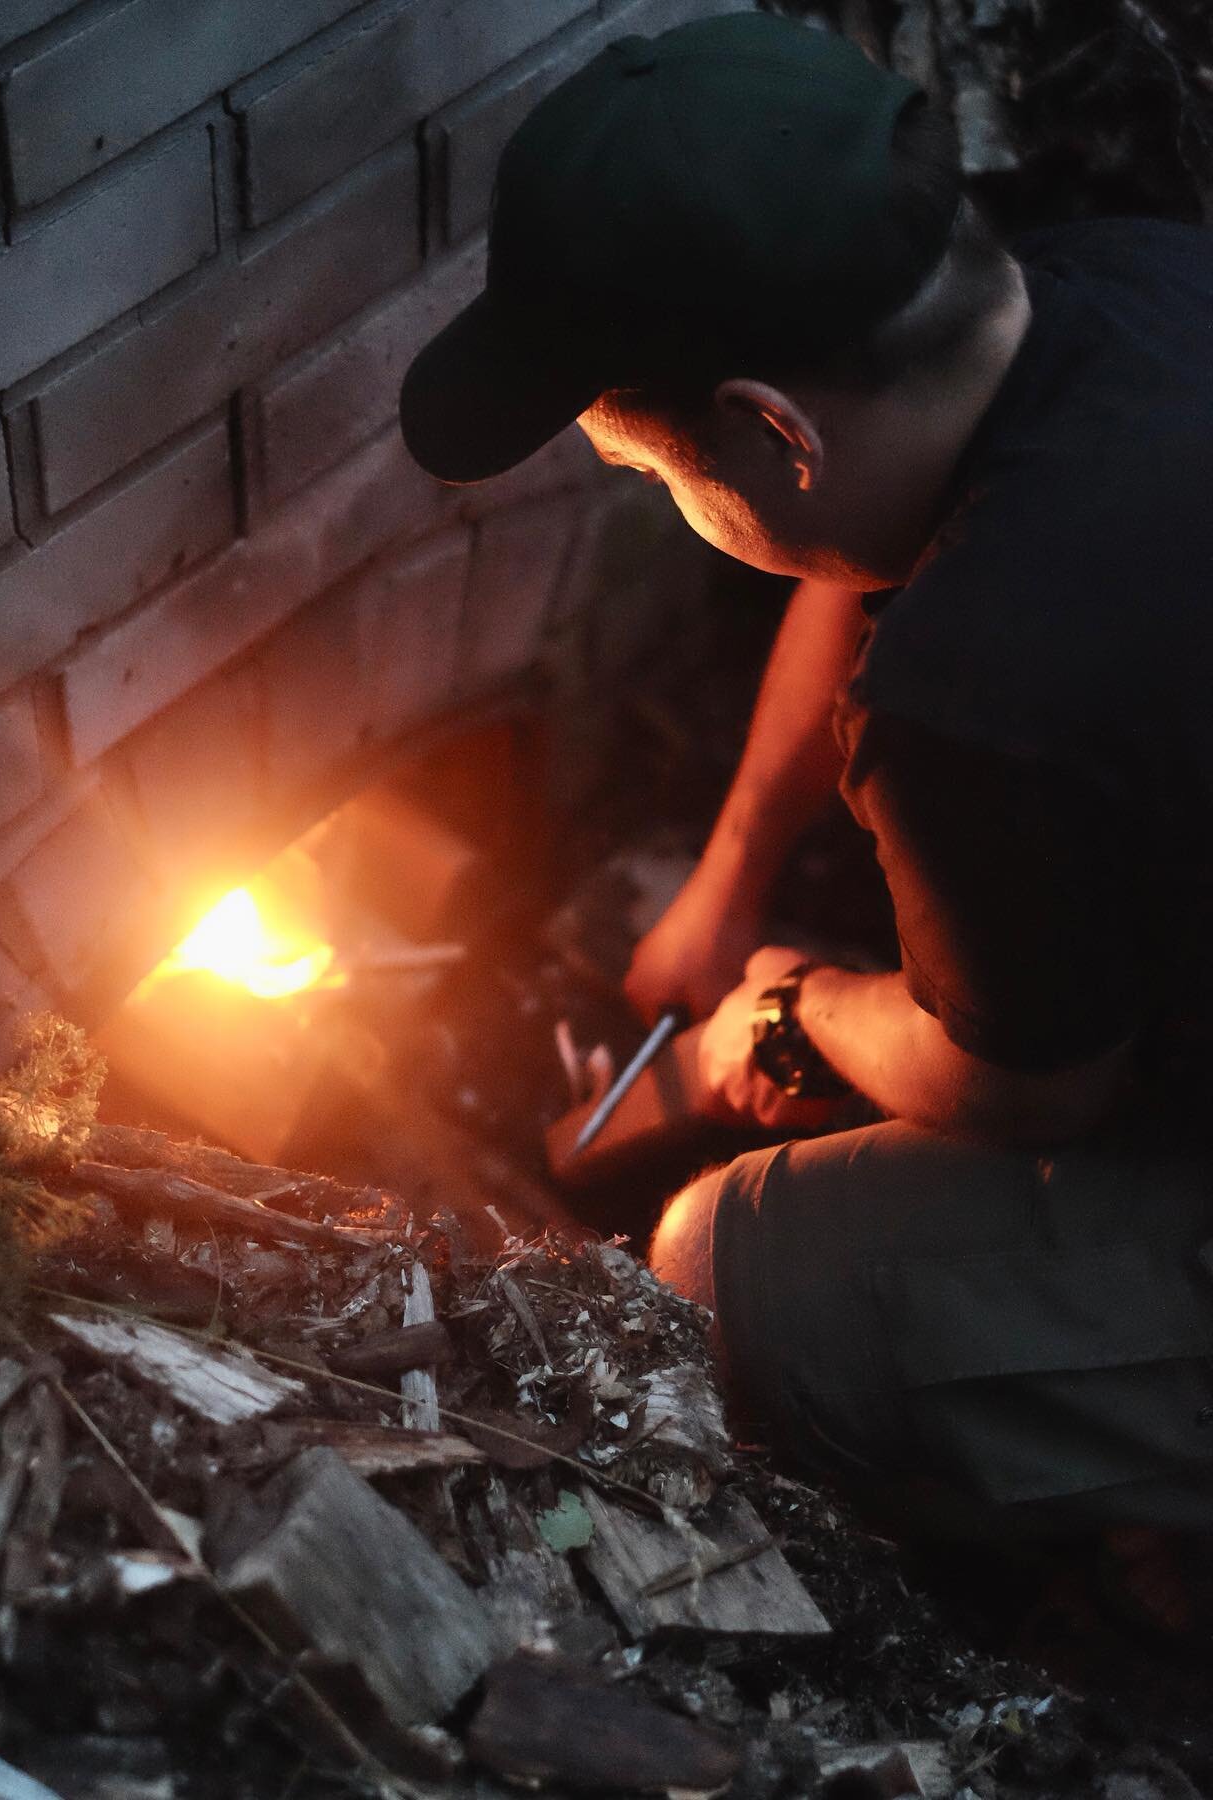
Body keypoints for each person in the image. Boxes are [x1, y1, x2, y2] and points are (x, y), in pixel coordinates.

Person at [400, 11, 1213, 1540]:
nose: (644, 491)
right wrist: (729, 885)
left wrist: (772, 1017)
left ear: (771, 433)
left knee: (730, 1264)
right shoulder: (1132, 279)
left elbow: (1027, 1089)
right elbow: (858, 573)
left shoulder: (983, 690)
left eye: (643, 472)